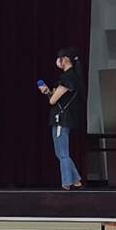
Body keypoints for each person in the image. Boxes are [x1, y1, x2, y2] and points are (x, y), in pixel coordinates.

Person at [37, 47, 83, 189]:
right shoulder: (72, 77)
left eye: (60, 58)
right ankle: (76, 180)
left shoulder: (68, 78)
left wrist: (47, 93)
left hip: (61, 119)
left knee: (62, 153)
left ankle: (66, 183)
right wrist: (48, 92)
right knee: (61, 153)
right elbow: (55, 97)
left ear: (65, 60)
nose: (58, 61)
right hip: (65, 118)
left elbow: (52, 100)